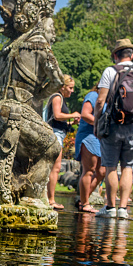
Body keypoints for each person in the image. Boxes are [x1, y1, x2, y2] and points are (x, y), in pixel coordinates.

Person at [95, 39, 133, 219]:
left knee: (111, 166)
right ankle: (122, 209)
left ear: (115, 55)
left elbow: (100, 101)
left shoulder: (110, 71)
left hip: (112, 125)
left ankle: (110, 207)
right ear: (132, 55)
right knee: (128, 167)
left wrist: (98, 124)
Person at [45, 74, 82, 210]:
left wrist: (71, 122)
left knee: (54, 167)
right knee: (55, 168)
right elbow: (57, 115)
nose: (72, 91)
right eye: (70, 88)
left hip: (58, 132)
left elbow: (59, 120)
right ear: (63, 86)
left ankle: (49, 198)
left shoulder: (61, 98)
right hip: (54, 135)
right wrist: (73, 114)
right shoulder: (56, 97)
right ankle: (51, 200)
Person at [74, 84, 103, 213]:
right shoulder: (93, 96)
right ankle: (85, 203)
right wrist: (101, 123)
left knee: (102, 171)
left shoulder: (108, 100)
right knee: (89, 170)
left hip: (101, 138)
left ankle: (82, 199)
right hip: (89, 136)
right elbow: (85, 114)